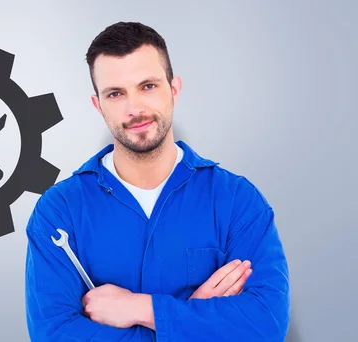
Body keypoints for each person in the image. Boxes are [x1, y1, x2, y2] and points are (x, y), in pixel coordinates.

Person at [24, 21, 290, 341]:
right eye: (115, 93)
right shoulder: (59, 212)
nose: (134, 108)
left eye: (148, 86)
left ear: (173, 89)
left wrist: (143, 309)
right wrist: (190, 318)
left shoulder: (237, 201)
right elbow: (54, 334)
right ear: (98, 105)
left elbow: (266, 324)